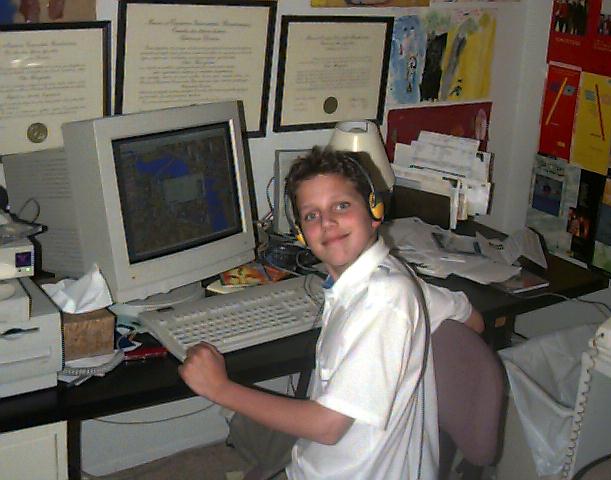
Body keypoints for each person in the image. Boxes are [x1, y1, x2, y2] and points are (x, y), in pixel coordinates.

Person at [179, 146, 483, 479]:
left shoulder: (386, 298)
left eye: (341, 205)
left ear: (374, 210)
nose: (328, 222)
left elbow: (327, 427)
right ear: (301, 233)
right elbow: (470, 317)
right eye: (312, 215)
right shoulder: (389, 276)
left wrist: (219, 389)